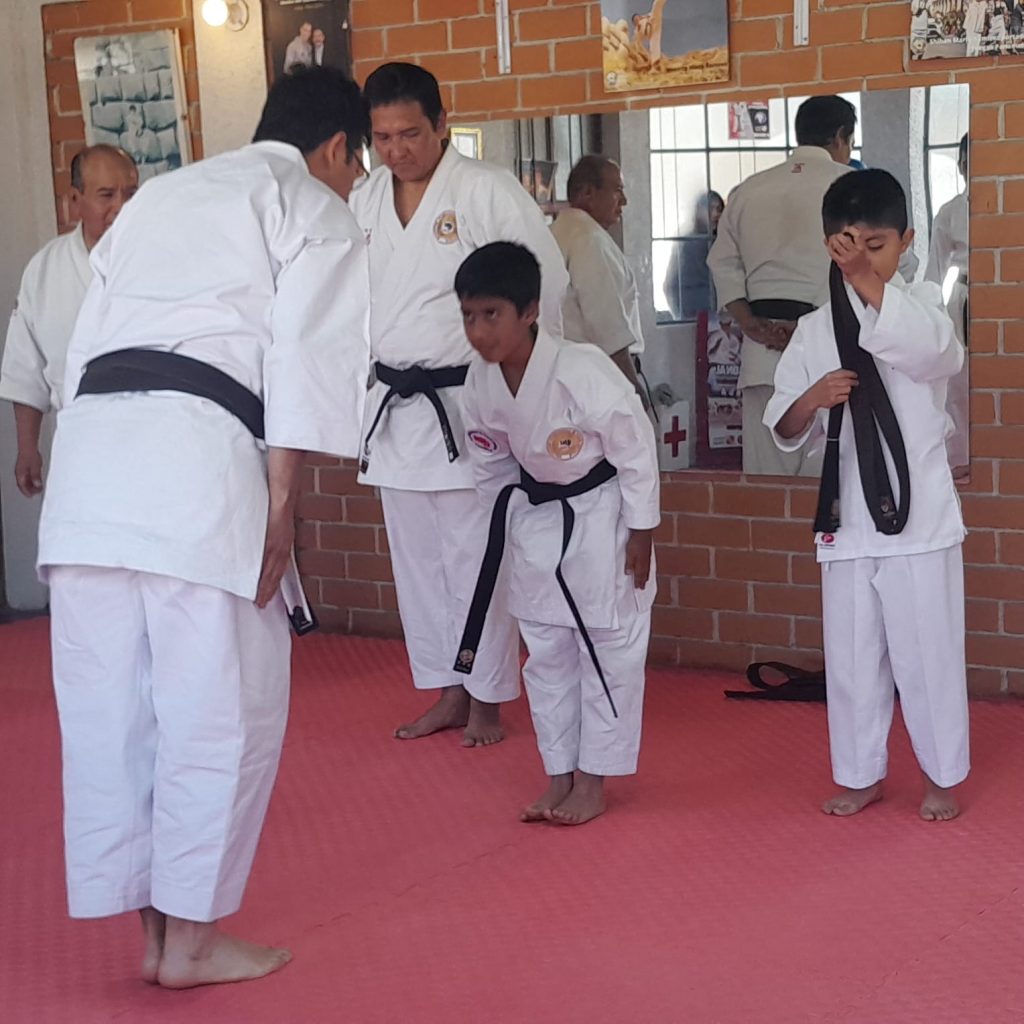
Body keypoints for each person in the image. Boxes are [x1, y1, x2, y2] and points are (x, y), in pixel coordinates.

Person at [36, 67, 371, 988]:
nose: (353, 185)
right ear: (338, 148)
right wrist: (283, 507)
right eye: (357, 166)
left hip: (91, 469)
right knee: (217, 708)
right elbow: (306, 351)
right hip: (197, 471)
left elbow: (83, 338)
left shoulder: (159, 198)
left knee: (113, 716)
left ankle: (150, 938)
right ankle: (187, 945)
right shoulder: (307, 200)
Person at [349, 62, 569, 745]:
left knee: (478, 557)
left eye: (410, 132)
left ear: (442, 124)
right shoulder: (362, 200)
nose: (396, 149)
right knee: (416, 564)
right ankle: (447, 689)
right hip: (394, 405)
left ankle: (489, 699)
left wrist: (524, 387)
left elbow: (545, 284)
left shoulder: (485, 190)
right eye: (382, 137)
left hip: (467, 401)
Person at [764, 169, 968, 822]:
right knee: (852, 657)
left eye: (876, 247)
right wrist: (811, 397)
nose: (862, 260)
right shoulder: (816, 327)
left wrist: (869, 285)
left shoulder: (927, 304)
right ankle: (859, 773)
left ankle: (940, 777)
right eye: (849, 248)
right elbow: (786, 427)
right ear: (829, 245)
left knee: (925, 653)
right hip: (847, 516)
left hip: (921, 519)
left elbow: (941, 357)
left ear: (906, 241)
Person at [454, 242, 659, 825]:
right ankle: (558, 774)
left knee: (606, 650)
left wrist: (642, 529)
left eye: (491, 314)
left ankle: (594, 779)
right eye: (468, 316)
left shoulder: (582, 368)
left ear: (529, 311)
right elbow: (491, 465)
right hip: (536, 524)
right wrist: (507, 529)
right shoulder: (480, 382)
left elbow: (636, 449)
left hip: (602, 518)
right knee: (545, 655)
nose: (478, 331)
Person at [708, 94, 855, 477]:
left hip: (761, 354)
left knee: (766, 485)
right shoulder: (853, 188)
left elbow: (722, 263)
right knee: (830, 484)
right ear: (841, 137)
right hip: (829, 354)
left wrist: (750, 323)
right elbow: (883, 272)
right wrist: (808, 329)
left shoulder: (748, 190)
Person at [0, 145, 138, 498]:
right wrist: (27, 447)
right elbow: (25, 368)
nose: (120, 207)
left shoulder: (159, 261)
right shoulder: (46, 269)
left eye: (131, 194)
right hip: (79, 447)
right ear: (74, 201)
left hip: (149, 439)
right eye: (106, 195)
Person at [550, 155, 648, 404]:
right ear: (587, 193)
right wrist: (632, 387)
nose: (624, 200)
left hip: (565, 372)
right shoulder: (588, 240)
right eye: (617, 190)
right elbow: (607, 324)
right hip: (601, 376)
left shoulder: (556, 233)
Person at [925, 133, 970, 478]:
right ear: (960, 165)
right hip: (966, 300)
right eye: (968, 162)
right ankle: (962, 458)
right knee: (961, 382)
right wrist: (930, 317)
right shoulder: (951, 211)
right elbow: (933, 273)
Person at [663, 190, 724, 321]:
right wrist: (683, 317)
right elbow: (671, 285)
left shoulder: (723, 242)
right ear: (699, 211)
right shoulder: (687, 243)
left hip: (719, 317)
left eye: (718, 209)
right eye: (710, 208)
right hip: (692, 317)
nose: (715, 214)